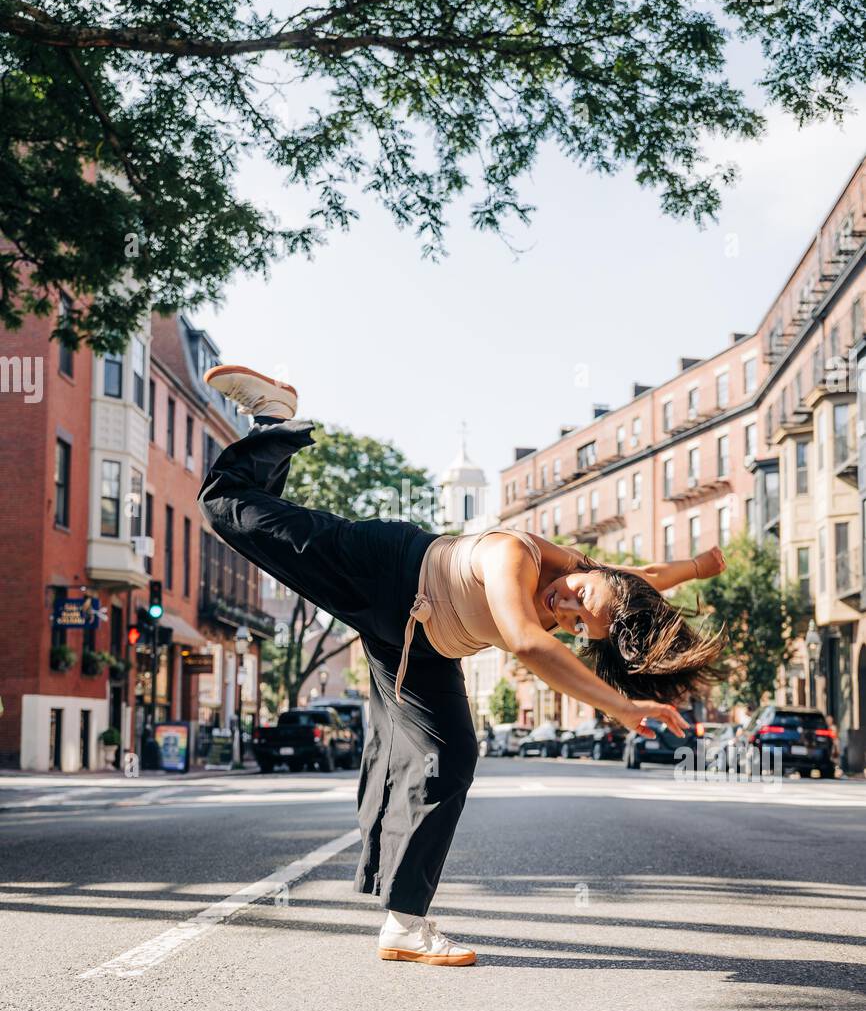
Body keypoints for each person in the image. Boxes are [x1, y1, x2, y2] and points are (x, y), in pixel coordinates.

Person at [198, 365, 726, 968]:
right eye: (581, 597)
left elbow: (646, 579)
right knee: (229, 508)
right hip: (387, 572)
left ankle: (404, 925)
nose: (570, 610)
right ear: (591, 573)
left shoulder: (601, 583)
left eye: (582, 625)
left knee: (447, 761)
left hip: (422, 648)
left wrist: (698, 566)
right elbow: (526, 643)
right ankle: (278, 421)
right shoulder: (513, 554)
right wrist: (621, 706)